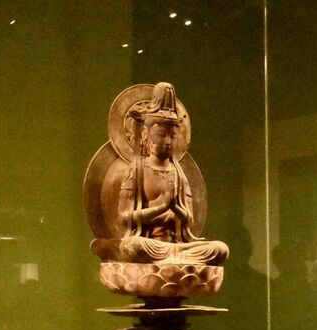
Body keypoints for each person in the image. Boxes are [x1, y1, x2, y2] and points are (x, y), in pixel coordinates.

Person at [92, 82, 228, 266]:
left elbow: (189, 220)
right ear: (146, 134)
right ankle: (173, 262)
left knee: (219, 249)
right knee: (134, 246)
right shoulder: (137, 171)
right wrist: (162, 207)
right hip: (148, 245)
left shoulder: (179, 174)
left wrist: (176, 208)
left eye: (172, 136)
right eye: (162, 135)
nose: (168, 141)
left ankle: (173, 260)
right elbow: (124, 217)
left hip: (175, 245)